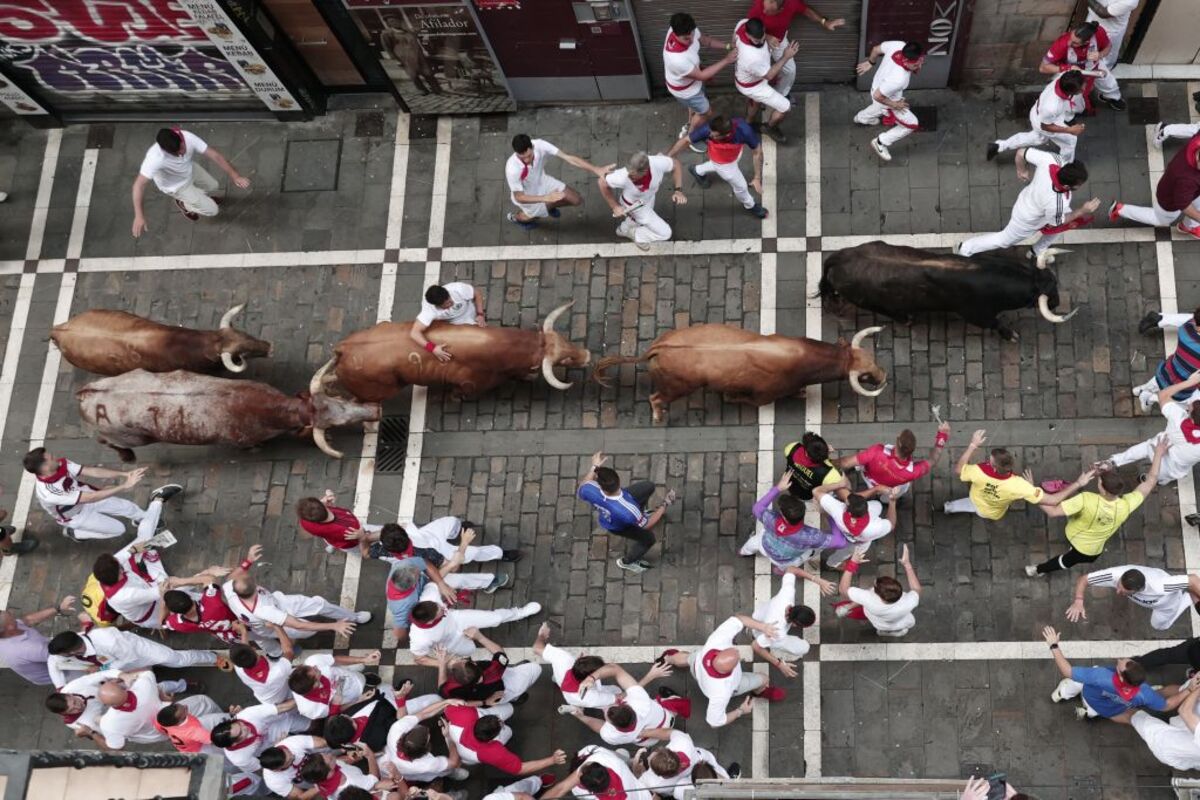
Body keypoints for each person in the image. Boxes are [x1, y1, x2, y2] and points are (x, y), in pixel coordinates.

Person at [1028, 450, 1163, 576]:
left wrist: (1031, 491)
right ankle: (1037, 570)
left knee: (1064, 561)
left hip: (1077, 539)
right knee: (1069, 560)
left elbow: (1052, 511)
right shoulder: (1126, 505)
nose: (1098, 480)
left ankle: (1038, 570)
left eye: (1099, 481)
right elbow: (1151, 481)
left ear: (1102, 489)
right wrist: (1159, 454)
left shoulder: (1085, 499)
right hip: (1092, 550)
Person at [221, 544, 365, 660]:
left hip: (280, 602)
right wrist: (334, 625)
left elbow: (232, 577)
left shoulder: (231, 590)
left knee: (318, 603)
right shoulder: (263, 610)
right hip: (274, 622)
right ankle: (288, 643)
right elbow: (299, 625)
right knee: (309, 630)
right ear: (254, 587)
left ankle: (354, 617)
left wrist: (248, 561)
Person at [966, 148, 1099, 259]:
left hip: (1028, 201)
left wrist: (1021, 170)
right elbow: (1057, 222)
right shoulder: (1057, 202)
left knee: (1060, 226)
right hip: (1028, 219)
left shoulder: (1053, 160)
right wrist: (1082, 210)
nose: (1079, 187)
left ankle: (1037, 250)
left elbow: (1020, 153)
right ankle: (965, 248)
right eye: (1078, 185)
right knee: (1004, 240)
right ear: (1066, 185)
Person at [26, 447, 179, 542]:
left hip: (85, 495)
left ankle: (141, 519)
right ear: (45, 468)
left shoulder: (60, 464)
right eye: (50, 458)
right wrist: (124, 486)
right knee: (119, 529)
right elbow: (89, 498)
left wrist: (125, 474)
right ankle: (76, 532)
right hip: (77, 514)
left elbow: (91, 471)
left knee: (126, 507)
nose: (55, 457)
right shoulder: (49, 492)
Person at [659, 614, 786, 727]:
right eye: (737, 659)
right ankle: (760, 691)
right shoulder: (722, 692)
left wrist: (763, 627)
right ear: (727, 672)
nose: (737, 651)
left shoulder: (716, 642)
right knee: (764, 678)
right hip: (731, 685)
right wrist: (740, 711)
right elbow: (714, 722)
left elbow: (739, 619)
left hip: (697, 664)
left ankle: (668, 658)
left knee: (687, 658)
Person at [1042, 626, 1188, 720]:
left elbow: (1067, 671)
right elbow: (1167, 705)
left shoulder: (1100, 677)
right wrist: (1189, 689)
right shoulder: (1144, 693)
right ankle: (1088, 712)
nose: (1119, 660)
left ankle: (1063, 693)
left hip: (1090, 695)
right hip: (1108, 710)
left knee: (1073, 682)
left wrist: (1054, 645)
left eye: (1120, 664)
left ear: (1119, 676)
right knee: (1095, 710)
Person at [131, 127, 251, 236]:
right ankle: (184, 204)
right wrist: (139, 215)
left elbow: (216, 156)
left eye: (181, 148)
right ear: (164, 150)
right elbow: (139, 185)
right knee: (213, 210)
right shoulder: (154, 158)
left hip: (190, 170)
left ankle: (198, 199)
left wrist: (235, 176)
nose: (181, 153)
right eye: (176, 153)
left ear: (181, 139)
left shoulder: (188, 137)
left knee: (214, 185)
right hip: (177, 187)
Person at [576, 450, 676, 573]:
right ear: (618, 480)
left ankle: (641, 515)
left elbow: (582, 486)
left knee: (647, 487)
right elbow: (647, 525)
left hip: (611, 514)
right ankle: (628, 562)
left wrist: (594, 467)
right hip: (619, 525)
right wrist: (665, 504)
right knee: (648, 538)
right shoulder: (629, 510)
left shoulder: (589, 489)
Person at [382, 545, 500, 648]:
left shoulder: (405, 566)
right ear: (413, 585)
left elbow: (426, 565)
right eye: (418, 573)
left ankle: (489, 581)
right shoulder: (401, 607)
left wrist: (441, 584)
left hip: (428, 585)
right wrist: (412, 636)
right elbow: (398, 632)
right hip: (423, 603)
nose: (419, 569)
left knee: (458, 579)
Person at [92, 542, 227, 629]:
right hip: (153, 613)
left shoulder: (106, 575)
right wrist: (204, 575)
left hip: (151, 593)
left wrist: (133, 549)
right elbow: (165, 591)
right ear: (118, 573)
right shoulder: (125, 595)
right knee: (181, 597)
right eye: (121, 567)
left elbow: (119, 559)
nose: (122, 564)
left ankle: (207, 595)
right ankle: (209, 597)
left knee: (187, 595)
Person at [748, 0, 844, 117]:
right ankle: (759, 100)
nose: (764, 11)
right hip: (759, 42)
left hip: (779, 41)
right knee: (760, 74)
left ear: (781, 9)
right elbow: (748, 27)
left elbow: (806, 10)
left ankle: (779, 95)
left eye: (769, 11)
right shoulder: (759, 5)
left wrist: (824, 22)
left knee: (790, 71)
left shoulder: (792, 3)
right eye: (765, 7)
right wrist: (767, 37)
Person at [739, 470, 850, 570]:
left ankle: (743, 552)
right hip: (785, 560)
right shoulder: (811, 536)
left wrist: (778, 488)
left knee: (752, 543)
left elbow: (757, 508)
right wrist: (828, 514)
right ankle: (780, 571)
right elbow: (841, 543)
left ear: (783, 515)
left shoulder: (770, 518)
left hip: (764, 545)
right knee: (792, 563)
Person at [559, 662, 685, 746]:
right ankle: (673, 701)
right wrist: (591, 678)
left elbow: (598, 725)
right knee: (670, 705)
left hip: (649, 740)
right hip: (664, 717)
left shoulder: (614, 736)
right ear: (627, 707)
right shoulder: (640, 703)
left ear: (613, 724)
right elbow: (616, 670)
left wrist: (581, 716)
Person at [666, 114, 768, 219]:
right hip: (723, 163)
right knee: (741, 186)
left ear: (727, 134)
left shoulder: (745, 131)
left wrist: (757, 178)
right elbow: (685, 140)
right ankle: (750, 205)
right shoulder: (709, 129)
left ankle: (697, 170)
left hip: (733, 155)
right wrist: (668, 157)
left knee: (717, 165)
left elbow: (757, 153)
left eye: (715, 135)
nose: (709, 135)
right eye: (710, 132)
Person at [46, 628, 222, 689]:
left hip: (137, 652)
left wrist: (101, 670)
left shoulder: (108, 640)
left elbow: (128, 657)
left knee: (175, 660)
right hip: (117, 667)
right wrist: (60, 687)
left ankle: (212, 658)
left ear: (72, 649)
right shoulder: (72, 648)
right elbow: (52, 662)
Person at [504, 134, 612, 230]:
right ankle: (516, 218)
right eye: (523, 158)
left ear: (532, 147)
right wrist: (545, 198)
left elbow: (569, 158)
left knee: (576, 200)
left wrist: (596, 169)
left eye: (529, 156)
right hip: (528, 197)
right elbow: (519, 197)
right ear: (517, 153)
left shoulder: (540, 145)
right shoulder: (512, 169)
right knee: (531, 216)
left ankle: (549, 207)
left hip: (543, 182)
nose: (527, 160)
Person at [662, 13, 736, 145]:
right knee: (706, 112)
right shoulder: (677, 59)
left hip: (693, 79)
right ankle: (690, 137)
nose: (691, 40)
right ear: (675, 33)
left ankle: (692, 122)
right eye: (686, 39)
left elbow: (706, 41)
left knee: (697, 108)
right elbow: (702, 75)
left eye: (692, 34)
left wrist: (727, 46)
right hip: (686, 90)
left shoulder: (688, 30)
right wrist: (727, 60)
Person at [1111, 131, 1200, 240]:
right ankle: (1120, 209)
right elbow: (1183, 204)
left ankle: (1189, 226)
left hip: (1189, 191)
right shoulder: (1186, 179)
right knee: (1160, 219)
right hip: (1170, 200)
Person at [97, 670, 219, 750]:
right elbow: (145, 673)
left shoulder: (109, 724)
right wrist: (123, 676)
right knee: (204, 702)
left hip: (157, 734)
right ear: (122, 687)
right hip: (170, 713)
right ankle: (225, 718)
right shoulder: (144, 684)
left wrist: (91, 733)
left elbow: (115, 747)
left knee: (190, 738)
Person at [985, 71, 1087, 165]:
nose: (1084, 88)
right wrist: (1069, 130)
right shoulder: (1052, 106)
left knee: (1038, 138)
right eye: (1081, 89)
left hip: (1037, 113)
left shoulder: (1063, 77)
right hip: (1045, 124)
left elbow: (1072, 70)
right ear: (1070, 92)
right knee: (1070, 141)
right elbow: (1046, 127)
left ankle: (998, 146)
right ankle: (1065, 166)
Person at [943, 429, 1045, 519]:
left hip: (976, 501)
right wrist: (1029, 486)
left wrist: (973, 445)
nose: (988, 462)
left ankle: (949, 508)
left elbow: (959, 470)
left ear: (995, 469)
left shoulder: (978, 472)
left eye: (990, 462)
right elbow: (1032, 495)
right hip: (994, 513)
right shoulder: (1018, 484)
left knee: (966, 504)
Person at [836, 422, 951, 500]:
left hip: (869, 479)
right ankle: (884, 501)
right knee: (893, 495)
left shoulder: (877, 451)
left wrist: (827, 462)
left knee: (861, 460)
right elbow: (933, 460)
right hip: (887, 488)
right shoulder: (913, 471)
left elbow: (845, 462)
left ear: (897, 441)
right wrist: (942, 436)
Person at [1108, 376, 1200, 473]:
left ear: (1191, 417)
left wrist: (1191, 382)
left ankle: (1114, 461)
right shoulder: (1180, 418)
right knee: (1157, 477)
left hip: (1163, 445)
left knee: (1142, 449)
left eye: (1189, 409)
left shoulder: (1178, 419)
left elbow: (1164, 395)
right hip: (1177, 467)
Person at [443, 703, 567, 774]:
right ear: (493, 738)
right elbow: (519, 769)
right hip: (468, 752)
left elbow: (446, 707)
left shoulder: (465, 714)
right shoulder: (493, 753)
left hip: (463, 752)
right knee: (509, 731)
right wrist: (552, 760)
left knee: (508, 714)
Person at [597, 151, 687, 250]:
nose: (629, 177)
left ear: (645, 171)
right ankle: (637, 235)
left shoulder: (657, 163)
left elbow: (676, 164)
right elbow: (602, 182)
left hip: (649, 197)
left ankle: (623, 229)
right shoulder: (623, 175)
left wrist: (678, 190)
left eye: (633, 176)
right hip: (635, 206)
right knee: (665, 233)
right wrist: (614, 206)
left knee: (635, 220)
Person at [1066, 564, 1200, 629]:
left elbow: (1193, 579)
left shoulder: (1160, 586)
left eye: (1124, 591)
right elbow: (1084, 579)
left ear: (1139, 590)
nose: (1118, 591)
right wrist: (1078, 600)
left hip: (1167, 604)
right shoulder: (1115, 575)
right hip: (1155, 601)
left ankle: (1186, 599)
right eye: (1118, 586)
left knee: (1159, 626)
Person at [408, 599, 541, 664]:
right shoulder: (420, 638)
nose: (443, 607)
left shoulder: (429, 597)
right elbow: (419, 658)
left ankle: (519, 613)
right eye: (440, 611)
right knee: (470, 653)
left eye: (439, 605)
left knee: (495, 618)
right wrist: (446, 664)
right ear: (430, 622)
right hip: (449, 642)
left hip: (458, 619)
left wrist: (443, 585)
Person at [854, 41, 926, 162]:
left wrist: (871, 62)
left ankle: (861, 118)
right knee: (912, 124)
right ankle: (881, 142)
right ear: (906, 62)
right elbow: (878, 96)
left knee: (876, 107)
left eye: (921, 62)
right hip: (885, 98)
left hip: (877, 86)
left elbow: (876, 49)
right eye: (916, 65)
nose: (919, 67)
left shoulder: (898, 45)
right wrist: (895, 105)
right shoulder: (898, 79)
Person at [731, 17, 799, 143]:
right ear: (747, 34)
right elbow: (769, 75)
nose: (762, 41)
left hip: (746, 77)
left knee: (755, 101)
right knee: (785, 107)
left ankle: (748, 123)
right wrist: (786, 56)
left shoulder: (742, 23)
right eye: (757, 40)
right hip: (754, 86)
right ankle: (769, 127)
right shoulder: (752, 57)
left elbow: (734, 41)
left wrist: (767, 37)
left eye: (763, 36)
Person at [436, 628, 542, 705]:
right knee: (535, 668)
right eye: (463, 660)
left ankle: (514, 698)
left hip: (488, 699)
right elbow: (501, 655)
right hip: (504, 688)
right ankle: (516, 697)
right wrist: (479, 637)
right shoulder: (491, 670)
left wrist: (442, 664)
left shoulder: (451, 690)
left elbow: (443, 690)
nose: (460, 659)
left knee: (502, 698)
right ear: (474, 664)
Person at [835, 544, 922, 636]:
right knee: (901, 628)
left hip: (880, 623)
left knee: (881, 629)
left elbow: (843, 590)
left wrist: (852, 563)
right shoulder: (910, 601)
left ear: (879, 595)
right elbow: (917, 589)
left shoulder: (869, 599)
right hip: (901, 622)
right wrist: (907, 565)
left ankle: (884, 632)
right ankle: (897, 632)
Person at [533, 622, 622, 709]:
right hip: (583, 698)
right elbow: (618, 698)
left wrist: (542, 635)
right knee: (616, 691)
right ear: (588, 679)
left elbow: (537, 648)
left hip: (564, 683)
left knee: (558, 678)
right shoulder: (591, 697)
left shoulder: (563, 659)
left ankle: (556, 680)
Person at [1039, 21, 1122, 113]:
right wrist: (1066, 68)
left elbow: (1108, 46)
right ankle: (1072, 113)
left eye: (1075, 43)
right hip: (1071, 72)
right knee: (1074, 97)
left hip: (1094, 66)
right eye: (1071, 37)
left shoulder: (1098, 32)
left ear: (1086, 42)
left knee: (1109, 82)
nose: (1070, 43)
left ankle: (1113, 98)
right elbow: (1043, 68)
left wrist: (1100, 54)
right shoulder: (1062, 44)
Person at [751, 567, 821, 675]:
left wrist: (816, 580)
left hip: (758, 616)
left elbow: (791, 569)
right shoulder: (778, 632)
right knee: (804, 647)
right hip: (762, 633)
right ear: (794, 624)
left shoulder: (787, 595)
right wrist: (778, 664)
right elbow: (756, 646)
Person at [814, 478, 898, 568]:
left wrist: (839, 484)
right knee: (877, 505)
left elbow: (816, 491)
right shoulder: (874, 528)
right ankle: (832, 564)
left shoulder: (838, 510)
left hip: (849, 538)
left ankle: (832, 564)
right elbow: (891, 524)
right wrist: (892, 502)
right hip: (861, 542)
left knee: (841, 555)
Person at [1134, 309, 1200, 413]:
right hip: (1183, 388)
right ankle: (1149, 398)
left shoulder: (1185, 329)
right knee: (1184, 405)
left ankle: (1143, 389)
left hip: (1167, 370)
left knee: (1157, 381)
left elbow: (1190, 320)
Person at [0, 595, 76, 685]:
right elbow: (62, 656)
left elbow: (29, 620)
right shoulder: (28, 648)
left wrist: (59, 607)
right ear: (10, 628)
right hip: (60, 671)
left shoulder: (8, 628)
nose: (15, 618)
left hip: (46, 650)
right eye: (12, 618)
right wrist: (86, 627)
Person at [211, 701, 303, 773]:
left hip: (279, 724)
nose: (245, 727)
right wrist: (277, 748)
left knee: (311, 725)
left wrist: (305, 695)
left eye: (239, 723)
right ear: (233, 744)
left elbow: (282, 707)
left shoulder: (246, 715)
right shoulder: (238, 758)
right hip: (273, 751)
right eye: (241, 732)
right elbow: (262, 766)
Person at [288, 651, 382, 720]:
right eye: (316, 671)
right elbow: (336, 710)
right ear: (315, 685)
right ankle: (364, 684)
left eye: (312, 668)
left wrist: (364, 659)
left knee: (360, 672)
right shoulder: (310, 709)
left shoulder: (312, 661)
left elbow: (335, 660)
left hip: (347, 674)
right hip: (348, 697)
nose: (316, 667)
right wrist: (359, 700)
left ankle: (365, 678)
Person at [385, 708, 468, 783]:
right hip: (416, 771)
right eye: (428, 736)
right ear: (424, 750)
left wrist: (446, 702)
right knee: (442, 771)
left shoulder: (395, 730)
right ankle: (450, 773)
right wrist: (449, 737)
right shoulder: (425, 764)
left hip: (394, 763)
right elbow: (453, 762)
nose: (428, 731)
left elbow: (422, 713)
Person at [409, 282, 486, 363]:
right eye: (446, 304)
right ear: (437, 306)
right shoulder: (429, 310)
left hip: (470, 309)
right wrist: (433, 349)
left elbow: (477, 293)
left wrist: (480, 314)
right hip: (455, 324)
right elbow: (414, 333)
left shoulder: (458, 288)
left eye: (449, 300)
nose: (451, 303)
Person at [542, 744, 647, 799]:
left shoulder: (581, 792)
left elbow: (561, 789)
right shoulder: (608, 761)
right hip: (644, 795)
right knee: (621, 755)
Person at [162, 582, 242, 645]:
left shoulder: (177, 623)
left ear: (175, 612)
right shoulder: (212, 602)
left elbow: (162, 624)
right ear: (190, 597)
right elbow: (210, 581)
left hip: (229, 637)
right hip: (244, 622)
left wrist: (162, 599)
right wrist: (181, 581)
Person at [259, 733, 328, 799]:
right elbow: (300, 797)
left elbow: (322, 742)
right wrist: (322, 787)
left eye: (289, 752)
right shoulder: (273, 781)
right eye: (290, 761)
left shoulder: (290, 742)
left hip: (318, 759)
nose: (293, 756)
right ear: (277, 769)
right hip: (307, 780)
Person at [780, 432, 842, 500]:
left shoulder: (792, 447)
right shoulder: (830, 474)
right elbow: (838, 482)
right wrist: (826, 456)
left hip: (789, 483)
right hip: (806, 495)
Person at [229, 642, 293, 706]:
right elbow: (289, 651)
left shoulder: (239, 669)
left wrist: (244, 634)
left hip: (269, 704)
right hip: (290, 696)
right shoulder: (278, 671)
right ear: (253, 649)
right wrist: (279, 631)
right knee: (295, 649)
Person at [1086, 0, 1140, 75]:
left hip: (1111, 30)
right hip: (1093, 18)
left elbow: (1103, 13)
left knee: (1107, 58)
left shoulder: (1130, 1)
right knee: (1088, 47)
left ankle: (1105, 70)